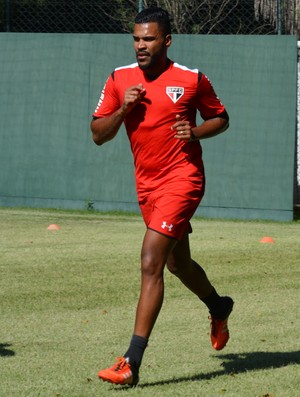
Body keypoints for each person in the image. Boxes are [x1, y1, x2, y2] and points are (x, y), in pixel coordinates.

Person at [91, 6, 233, 387]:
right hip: (147, 186)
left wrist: (196, 132)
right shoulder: (119, 79)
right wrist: (124, 109)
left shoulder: (190, 79)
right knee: (177, 264)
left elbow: (221, 117)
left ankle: (131, 362)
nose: (141, 45)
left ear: (166, 40)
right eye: (136, 38)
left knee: (151, 260)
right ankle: (219, 306)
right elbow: (98, 134)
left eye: (149, 38)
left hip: (183, 179)